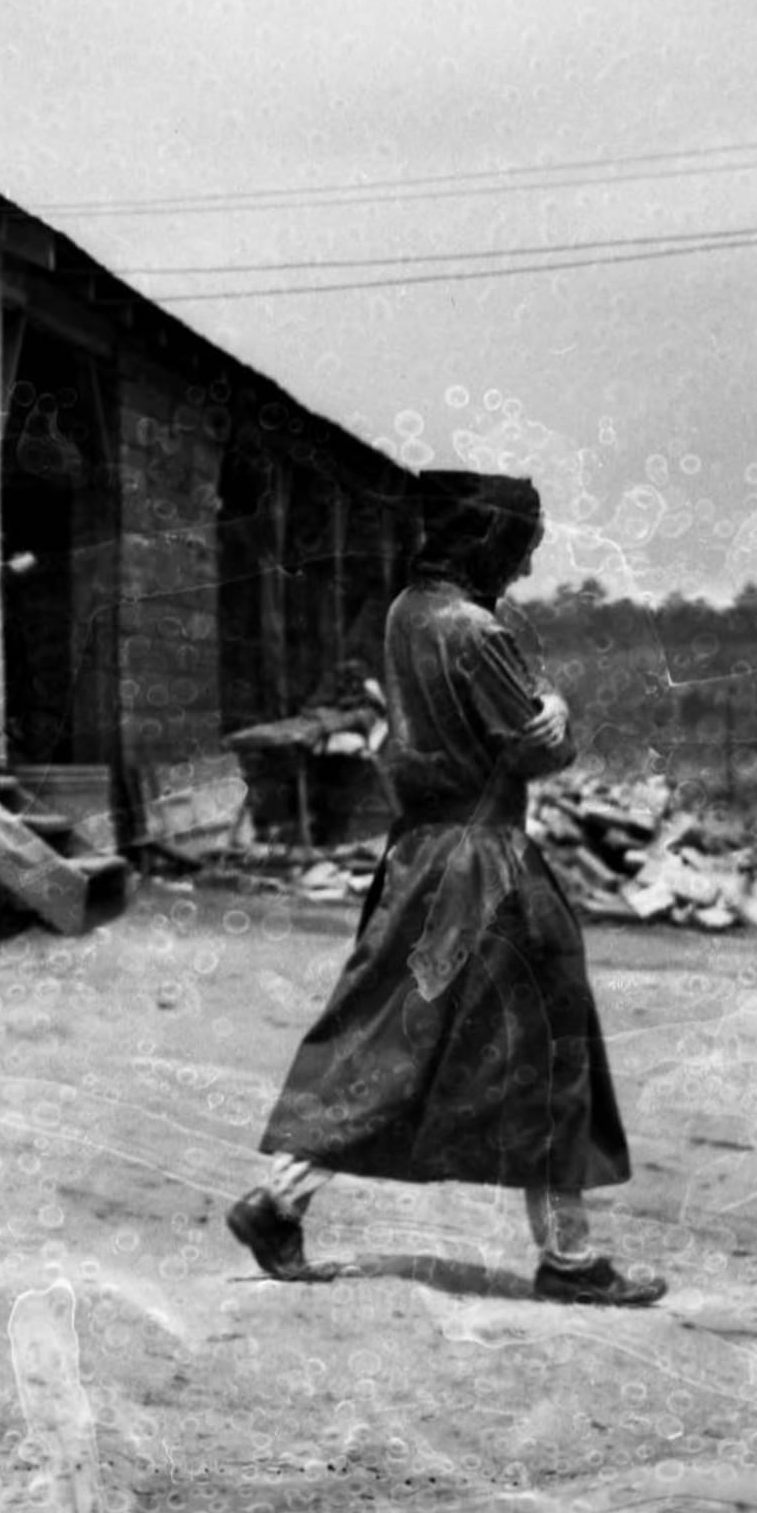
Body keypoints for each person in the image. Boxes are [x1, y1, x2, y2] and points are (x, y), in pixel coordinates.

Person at [227, 469, 665, 1306]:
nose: (525, 568)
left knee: (392, 1037)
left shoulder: (406, 612)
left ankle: (279, 1200)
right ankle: (569, 1258)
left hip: (420, 858)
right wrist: (561, 710)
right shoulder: (476, 631)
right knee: (550, 1044)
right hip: (489, 860)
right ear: (487, 541)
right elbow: (533, 745)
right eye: (519, 547)